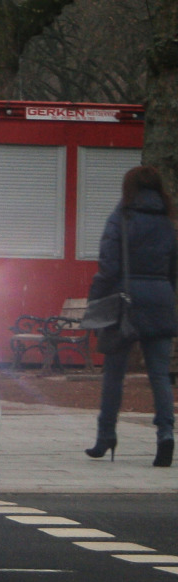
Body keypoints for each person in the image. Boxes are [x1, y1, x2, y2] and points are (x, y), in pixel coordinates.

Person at [85, 165, 177, 467]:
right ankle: (166, 434)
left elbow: (108, 266)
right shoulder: (168, 222)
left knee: (114, 374)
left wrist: (95, 298)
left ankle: (105, 436)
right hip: (161, 299)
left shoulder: (120, 218)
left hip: (125, 303)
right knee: (160, 376)